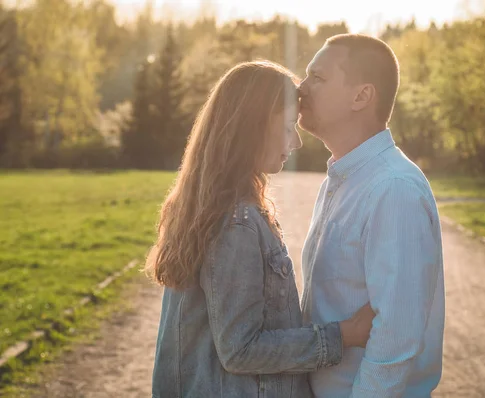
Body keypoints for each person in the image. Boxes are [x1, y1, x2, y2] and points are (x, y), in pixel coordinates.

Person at [145, 60, 375, 398]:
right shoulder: (236, 223)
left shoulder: (209, 206)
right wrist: (344, 335)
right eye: (286, 127)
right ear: (250, 128)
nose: (295, 142)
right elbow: (240, 349)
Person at [298, 34, 446, 397]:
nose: (300, 89)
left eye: (317, 78)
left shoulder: (393, 188)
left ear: (361, 96)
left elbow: (395, 338)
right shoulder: (342, 177)